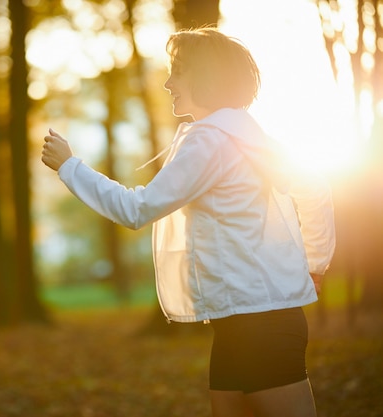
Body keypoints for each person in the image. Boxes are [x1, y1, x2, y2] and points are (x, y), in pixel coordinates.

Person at [41, 27, 335, 417]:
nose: (166, 83)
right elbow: (314, 186)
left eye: (176, 71)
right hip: (241, 321)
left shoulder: (210, 141)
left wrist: (70, 166)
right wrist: (314, 262)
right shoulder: (245, 133)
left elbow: (137, 209)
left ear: (205, 76)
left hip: (260, 323)